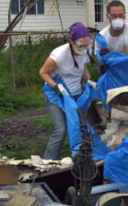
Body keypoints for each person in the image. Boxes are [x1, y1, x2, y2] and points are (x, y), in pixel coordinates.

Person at [39, 22, 94, 160]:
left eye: (87, 44)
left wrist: (88, 79)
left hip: (76, 95)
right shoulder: (59, 55)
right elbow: (43, 72)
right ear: (71, 41)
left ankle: (82, 157)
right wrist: (56, 87)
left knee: (80, 126)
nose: (84, 48)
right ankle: (48, 162)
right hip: (57, 96)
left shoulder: (85, 50)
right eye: (81, 45)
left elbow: (83, 66)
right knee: (61, 130)